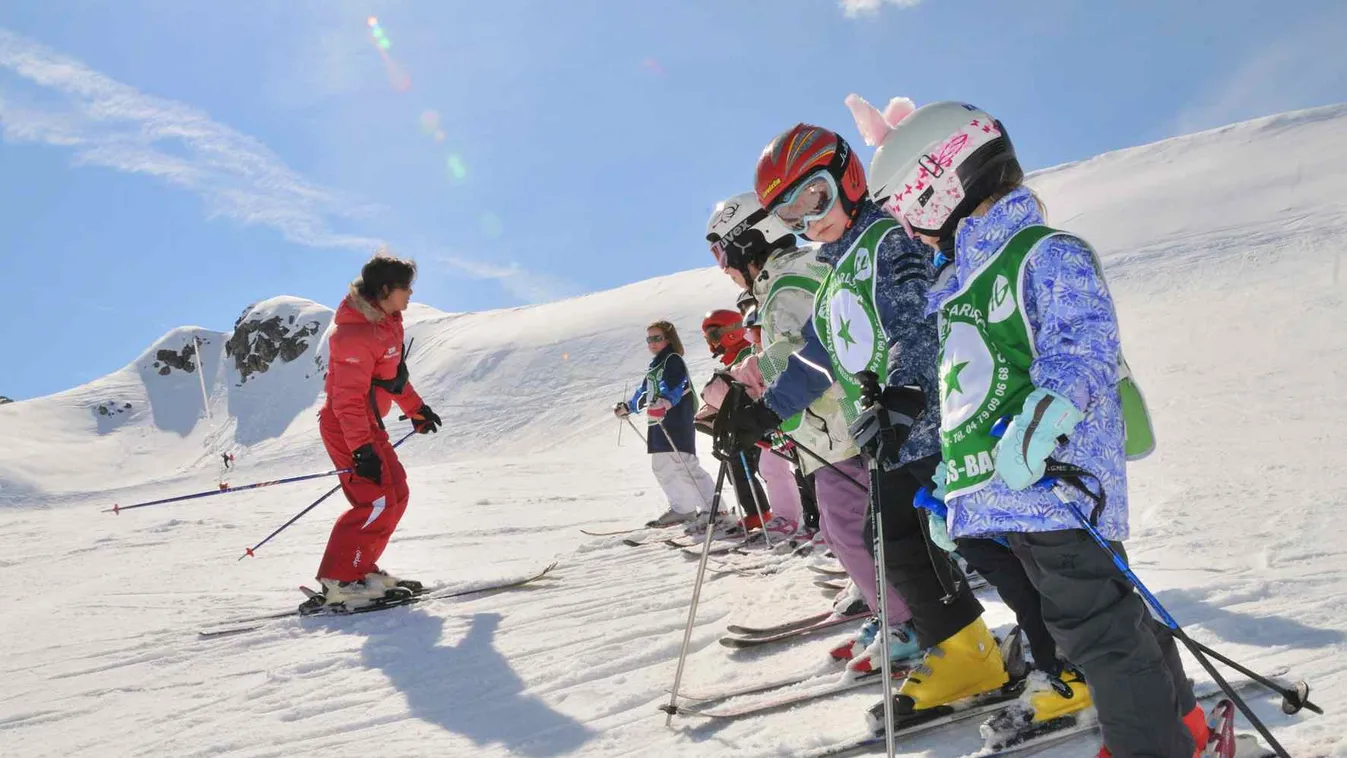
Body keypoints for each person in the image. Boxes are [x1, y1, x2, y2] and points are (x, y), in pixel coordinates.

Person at [866, 99, 1204, 756]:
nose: (906, 227)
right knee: (1103, 617)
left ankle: (1151, 746)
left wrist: (1039, 424)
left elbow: (1082, 346)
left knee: (1099, 632)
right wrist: (948, 487)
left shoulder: (1042, 253)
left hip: (1055, 485)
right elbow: (966, 397)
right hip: (1001, 497)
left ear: (938, 186)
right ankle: (1181, 729)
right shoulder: (960, 287)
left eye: (905, 209)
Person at [717, 123, 1002, 713]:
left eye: (813, 196)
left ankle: (1068, 655)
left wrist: (901, 390)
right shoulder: (838, 266)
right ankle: (965, 654)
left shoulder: (886, 240)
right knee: (896, 542)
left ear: (846, 177)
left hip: (931, 424)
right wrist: (764, 411)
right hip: (891, 433)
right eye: (789, 211)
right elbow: (818, 357)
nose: (806, 218)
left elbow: (916, 322)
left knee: (995, 544)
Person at [705, 190, 921, 673]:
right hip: (836, 426)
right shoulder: (793, 276)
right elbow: (796, 346)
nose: (723, 266)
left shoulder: (788, 283)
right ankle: (895, 613)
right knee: (851, 528)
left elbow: (810, 350)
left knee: (850, 530)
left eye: (722, 251)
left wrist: (753, 384)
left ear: (747, 241)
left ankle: (908, 623)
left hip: (841, 426)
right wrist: (750, 377)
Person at [312, 250, 441, 610]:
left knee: (397, 494)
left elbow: (394, 379)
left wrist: (417, 411)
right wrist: (360, 449)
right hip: (347, 427)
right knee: (377, 500)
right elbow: (347, 399)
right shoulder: (353, 335)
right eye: (405, 288)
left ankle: (361, 570)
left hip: (369, 425)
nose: (410, 295)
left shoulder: (388, 322)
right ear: (385, 290)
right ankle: (340, 580)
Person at [614, 321, 717, 528]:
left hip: (675, 419)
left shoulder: (672, 360)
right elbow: (645, 393)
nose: (652, 343)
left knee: (685, 464)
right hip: (657, 422)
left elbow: (674, 384)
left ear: (669, 339)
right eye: (649, 339)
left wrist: (665, 401)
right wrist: (629, 407)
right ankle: (683, 508)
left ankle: (715, 509)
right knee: (662, 467)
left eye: (657, 338)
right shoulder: (655, 366)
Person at [693, 308, 778, 534]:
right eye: (707, 338)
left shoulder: (745, 353)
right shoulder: (732, 356)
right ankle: (758, 512)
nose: (711, 343)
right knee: (738, 464)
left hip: (755, 419)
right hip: (743, 420)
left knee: (747, 465)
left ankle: (762, 512)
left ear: (730, 331)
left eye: (713, 335)